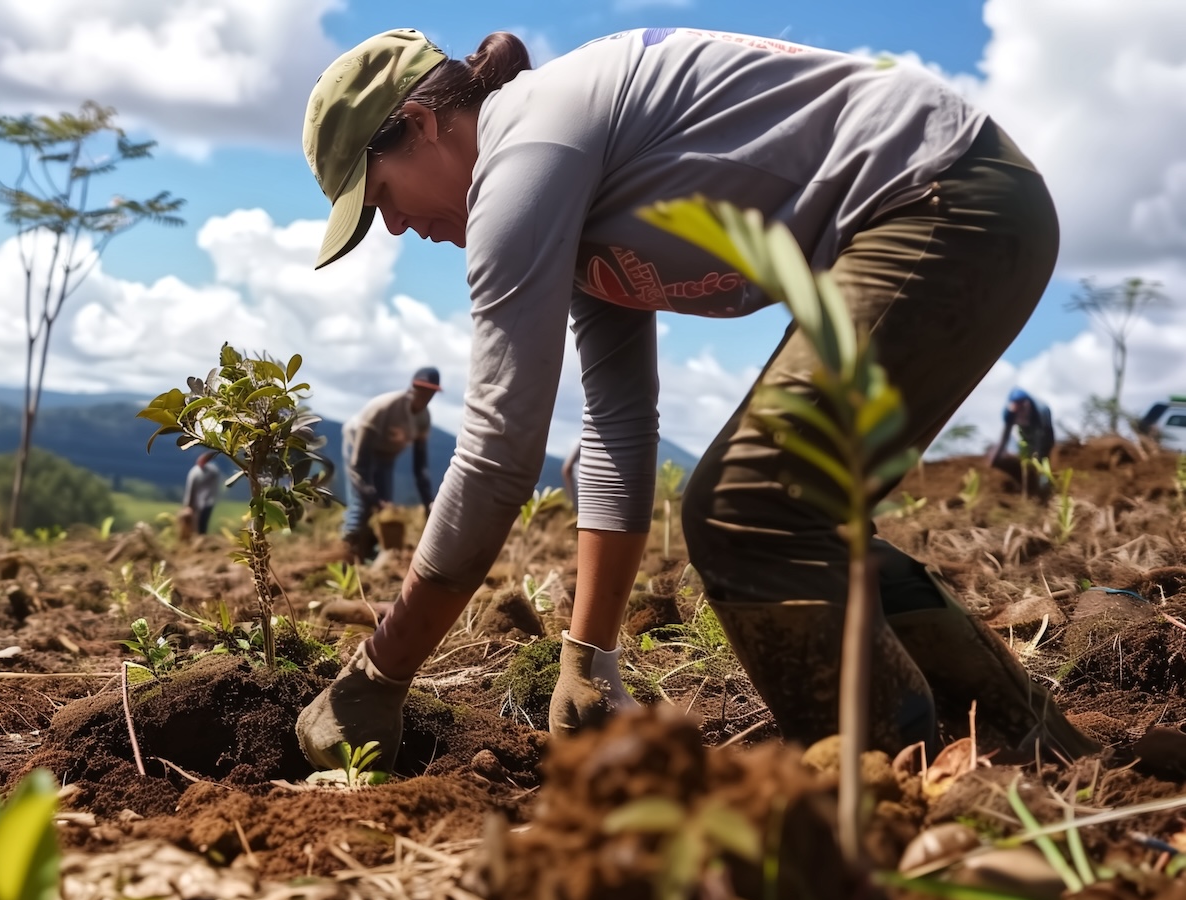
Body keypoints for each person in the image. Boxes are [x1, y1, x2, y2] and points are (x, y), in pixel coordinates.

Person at [293, 27, 1096, 769]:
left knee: (750, 509)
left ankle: (891, 795)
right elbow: (616, 426)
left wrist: (379, 671)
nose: (393, 227)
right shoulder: (565, 197)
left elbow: (500, 453)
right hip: (963, 200)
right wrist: (589, 655)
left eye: (378, 196)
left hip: (946, 197)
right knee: (789, 513)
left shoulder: (525, 149)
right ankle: (1024, 751)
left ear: (420, 124)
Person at [340, 367, 441, 561]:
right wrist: (371, 495)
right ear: (413, 387)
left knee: (385, 506)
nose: (426, 395)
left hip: (386, 456)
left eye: (431, 392)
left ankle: (375, 553)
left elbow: (420, 467)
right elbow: (359, 465)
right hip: (358, 447)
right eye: (422, 389)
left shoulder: (423, 418)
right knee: (361, 503)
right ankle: (349, 551)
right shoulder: (384, 408)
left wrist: (429, 502)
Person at [986, 387, 1056, 497]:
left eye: (1022, 408)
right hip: (1024, 429)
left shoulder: (1040, 411)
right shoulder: (1010, 413)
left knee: (1043, 452)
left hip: (1041, 428)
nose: (1020, 412)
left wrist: (1037, 459)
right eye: (1017, 409)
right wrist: (995, 457)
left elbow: (1043, 438)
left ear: (1027, 404)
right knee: (1022, 450)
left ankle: (1044, 484)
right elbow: (1005, 435)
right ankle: (1026, 482)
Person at [182, 452, 225, 539]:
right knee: (194, 522)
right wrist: (188, 504)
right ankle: (194, 538)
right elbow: (190, 489)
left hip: (208, 501)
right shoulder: (194, 473)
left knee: (203, 522)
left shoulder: (213, 471)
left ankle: (202, 539)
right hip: (196, 502)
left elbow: (213, 487)